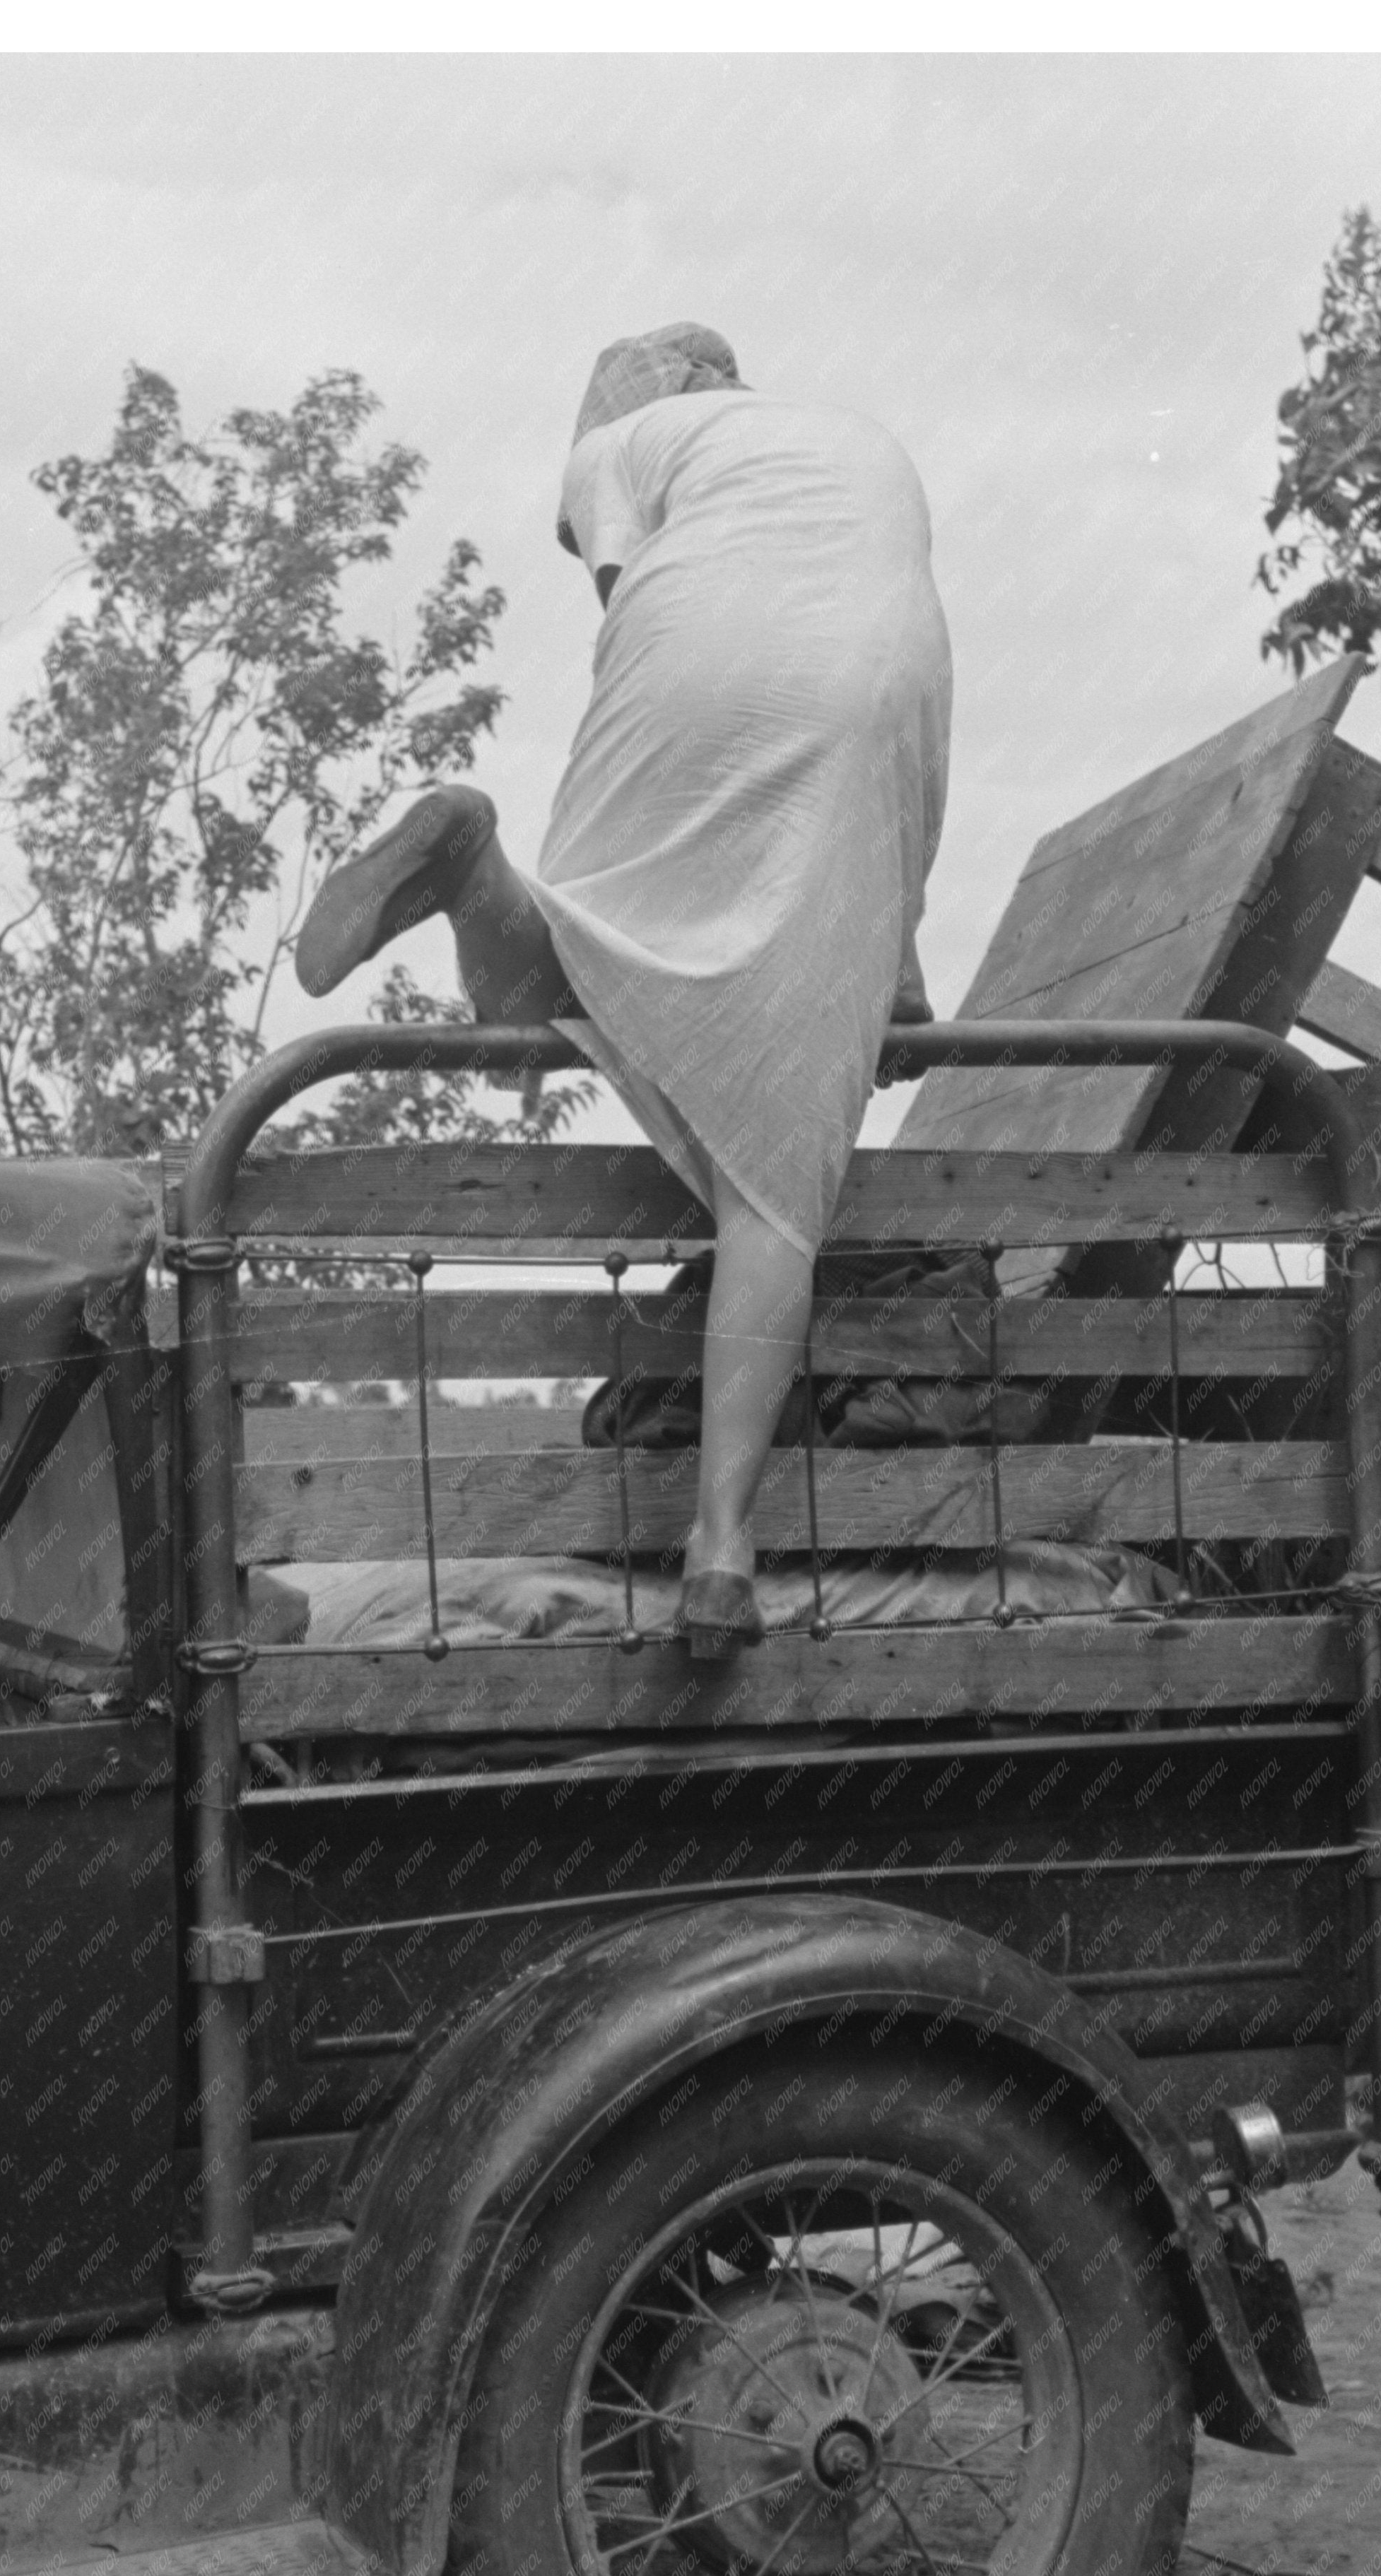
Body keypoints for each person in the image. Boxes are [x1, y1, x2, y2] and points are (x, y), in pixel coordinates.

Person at [295, 323, 952, 1657]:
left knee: (561, 992)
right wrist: (894, 974)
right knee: (779, 1188)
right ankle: (721, 1548)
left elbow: (645, 608)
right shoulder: (853, 445)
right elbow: (897, 764)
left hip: (702, 661)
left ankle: (480, 868)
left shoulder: (619, 447)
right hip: (892, 695)